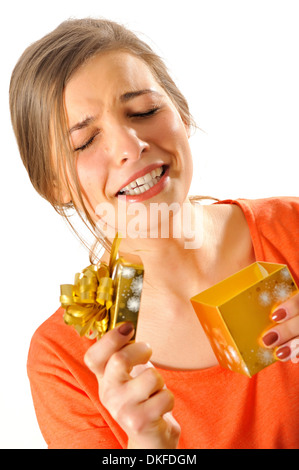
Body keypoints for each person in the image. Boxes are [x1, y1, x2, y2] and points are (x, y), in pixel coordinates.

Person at [9, 18, 299, 449]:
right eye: (85, 140)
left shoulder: (291, 229)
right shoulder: (62, 359)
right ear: (54, 184)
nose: (130, 145)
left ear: (180, 112)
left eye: (144, 111)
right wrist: (148, 447)